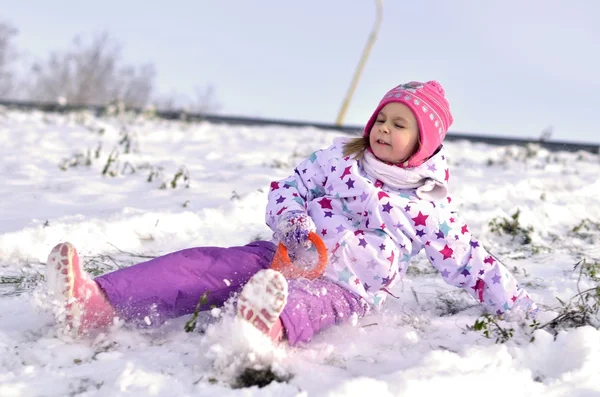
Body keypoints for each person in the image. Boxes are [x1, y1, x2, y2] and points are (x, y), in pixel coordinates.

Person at [45, 80, 537, 346]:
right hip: (283, 251)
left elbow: (473, 262)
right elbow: (290, 187)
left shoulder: (430, 208)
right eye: (382, 118)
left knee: (308, 304)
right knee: (205, 264)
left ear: (422, 144)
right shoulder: (339, 161)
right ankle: (100, 302)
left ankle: (265, 328)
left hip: (345, 284)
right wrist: (291, 219)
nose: (385, 129)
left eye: (400, 125)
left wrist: (521, 309)